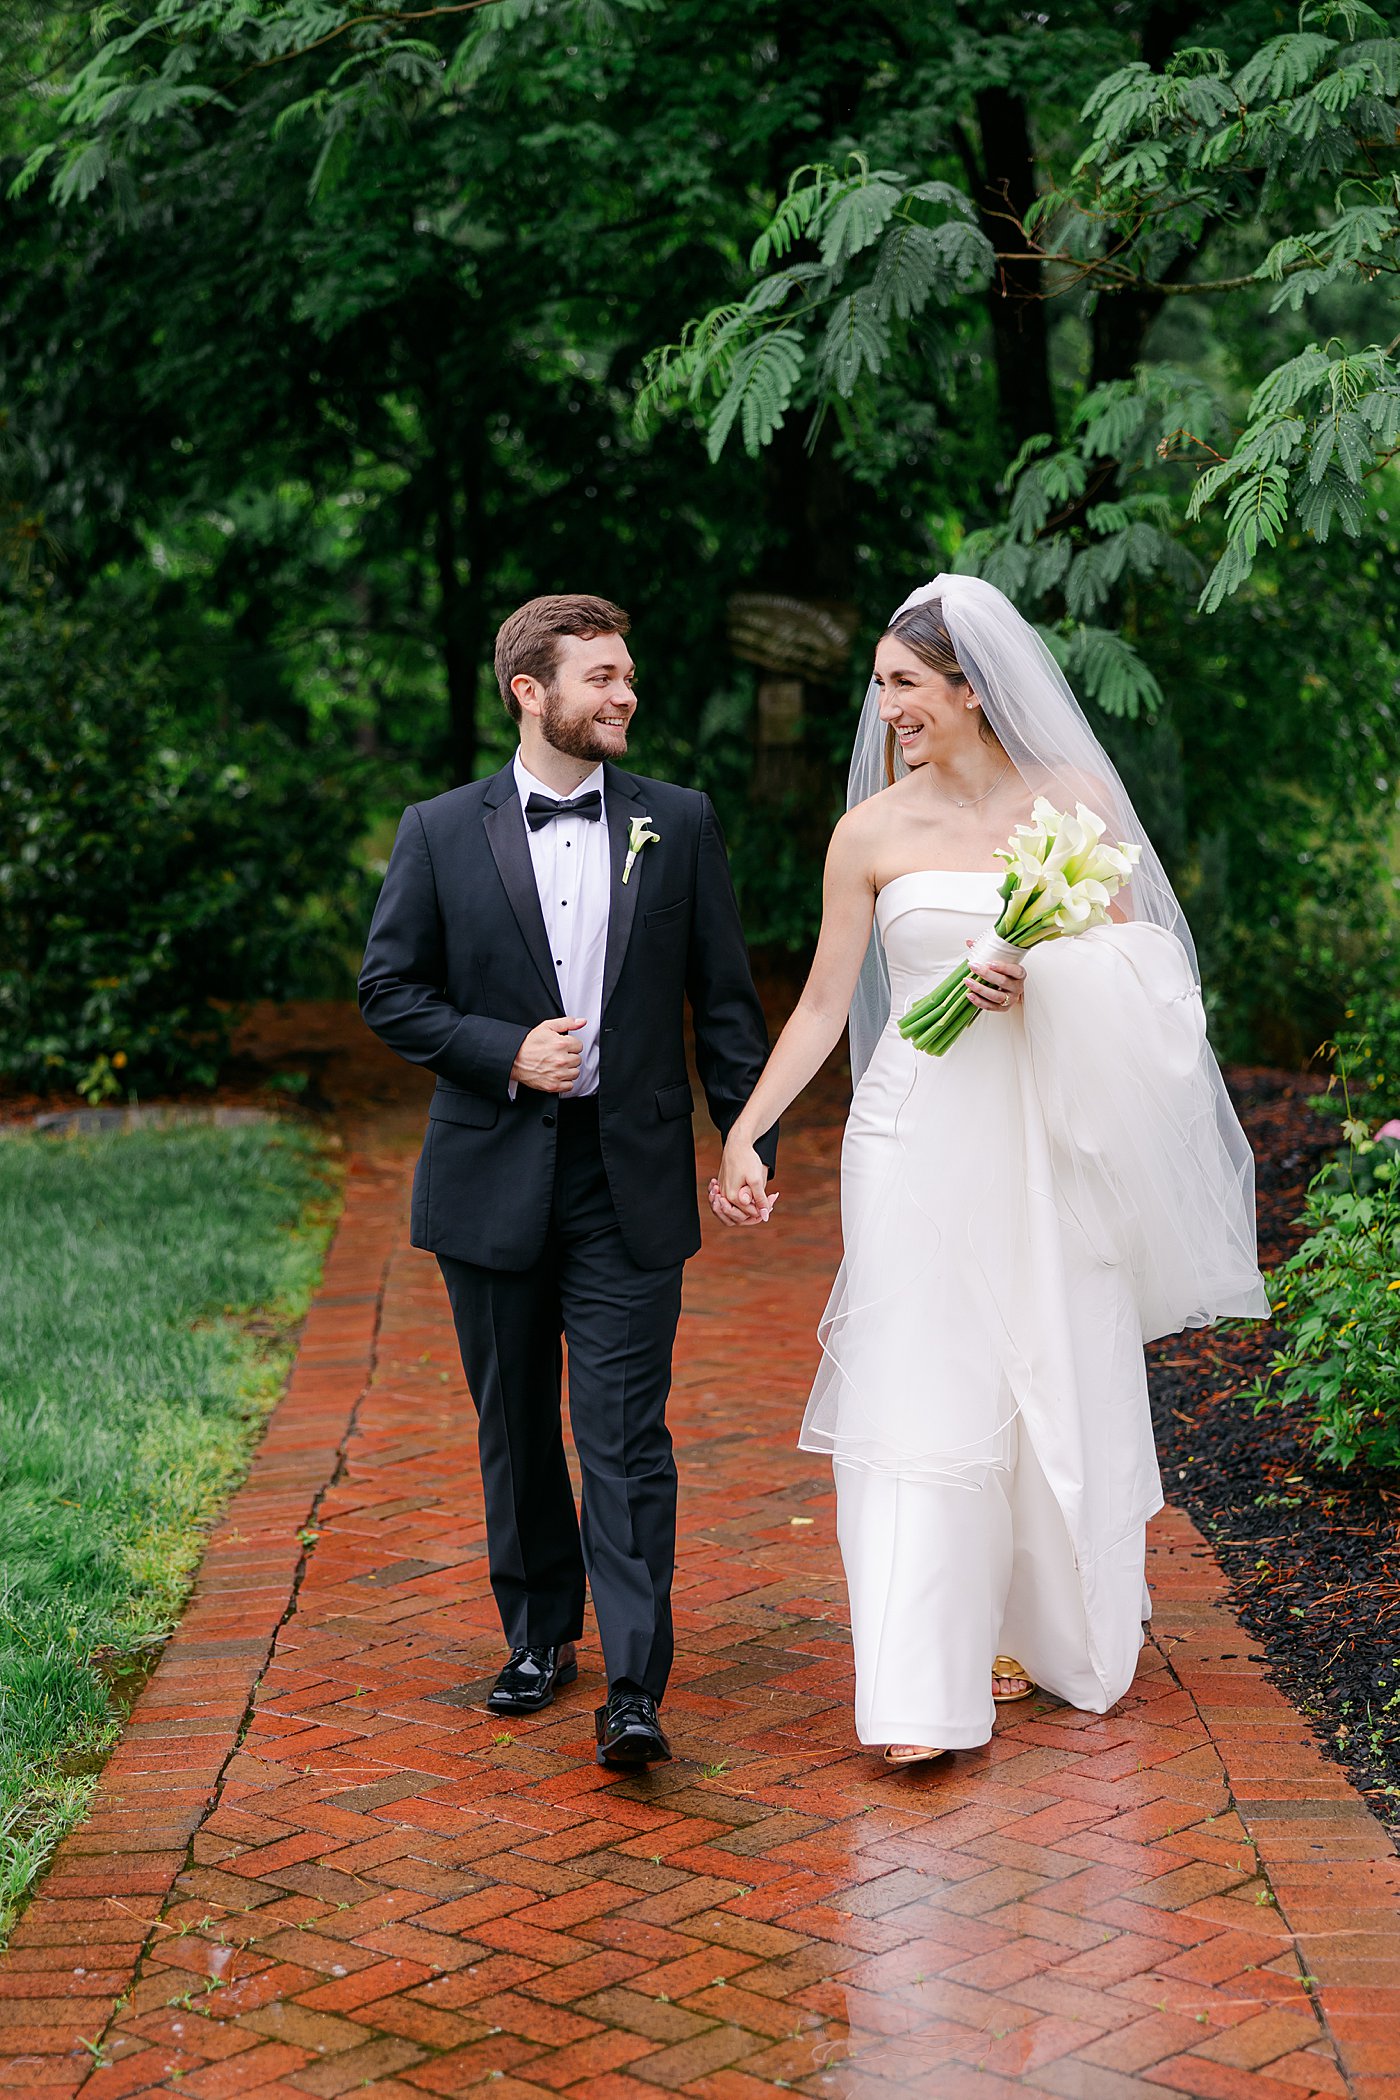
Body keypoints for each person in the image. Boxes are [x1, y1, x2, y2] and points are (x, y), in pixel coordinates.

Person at [713, 575, 1268, 1766]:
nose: (885, 711)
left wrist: (1043, 975)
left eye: (903, 685)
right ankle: (918, 1692)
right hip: (910, 1133)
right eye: (878, 689)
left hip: (1039, 1132)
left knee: (1041, 1367)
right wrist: (748, 1127)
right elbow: (821, 1003)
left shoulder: (1067, 803)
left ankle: (1032, 1629)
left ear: (970, 687)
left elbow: (1147, 974)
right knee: (917, 1377)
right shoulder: (868, 831)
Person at [359, 592, 775, 1767]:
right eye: (600, 678)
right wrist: (502, 1053)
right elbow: (388, 990)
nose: (625, 695)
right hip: (491, 1169)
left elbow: (725, 1005)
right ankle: (539, 1635)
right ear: (528, 692)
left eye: (628, 676)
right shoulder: (440, 830)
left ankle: (635, 1681)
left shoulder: (677, 822)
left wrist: (745, 1136)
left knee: (625, 1434)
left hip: (626, 1174)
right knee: (515, 1426)